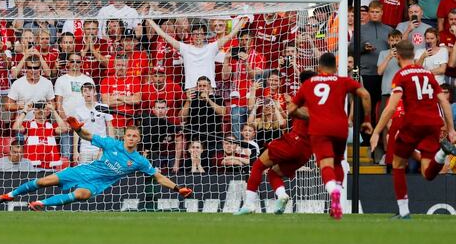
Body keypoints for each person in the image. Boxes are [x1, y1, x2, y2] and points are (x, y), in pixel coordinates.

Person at [0, 120, 191, 210]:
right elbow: (87, 135)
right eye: (129, 135)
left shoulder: (139, 160)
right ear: (125, 136)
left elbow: (158, 176)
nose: (131, 138)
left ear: (138, 140)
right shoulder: (111, 143)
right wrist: (78, 129)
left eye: (134, 136)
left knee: (82, 195)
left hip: (97, 183)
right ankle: (10, 195)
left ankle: (40, 205)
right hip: (83, 170)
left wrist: (177, 188)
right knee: (45, 181)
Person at [370, 39, 456, 219]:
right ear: (412, 54)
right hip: (433, 123)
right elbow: (443, 102)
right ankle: (441, 154)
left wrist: (377, 131)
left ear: (398, 56)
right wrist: (451, 129)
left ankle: (403, 211)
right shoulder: (428, 74)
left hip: (413, 124)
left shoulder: (401, 75)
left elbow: (391, 107)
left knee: (398, 164)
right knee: (427, 173)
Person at [288, 52, 372, 220]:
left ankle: (333, 191)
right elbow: (365, 94)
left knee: (326, 164)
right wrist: (367, 120)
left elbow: (290, 109)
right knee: (338, 160)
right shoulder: (343, 81)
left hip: (319, 129)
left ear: (319, 68)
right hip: (341, 128)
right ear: (335, 68)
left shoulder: (309, 83)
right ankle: (337, 202)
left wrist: (306, 115)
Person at [236, 70, 317, 215]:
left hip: (293, 141)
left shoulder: (306, 98)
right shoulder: (321, 102)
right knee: (274, 173)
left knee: (257, 166)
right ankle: (282, 195)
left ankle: (249, 204)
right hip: (306, 151)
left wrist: (290, 106)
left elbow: (291, 116)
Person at [148, 16, 245, 90]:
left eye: (200, 34)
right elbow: (164, 35)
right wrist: (149, 20)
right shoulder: (185, 48)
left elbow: (230, 36)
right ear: (192, 36)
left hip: (209, 89)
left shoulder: (211, 47)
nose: (198, 36)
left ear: (204, 36)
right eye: (195, 34)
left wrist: (243, 20)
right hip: (192, 89)